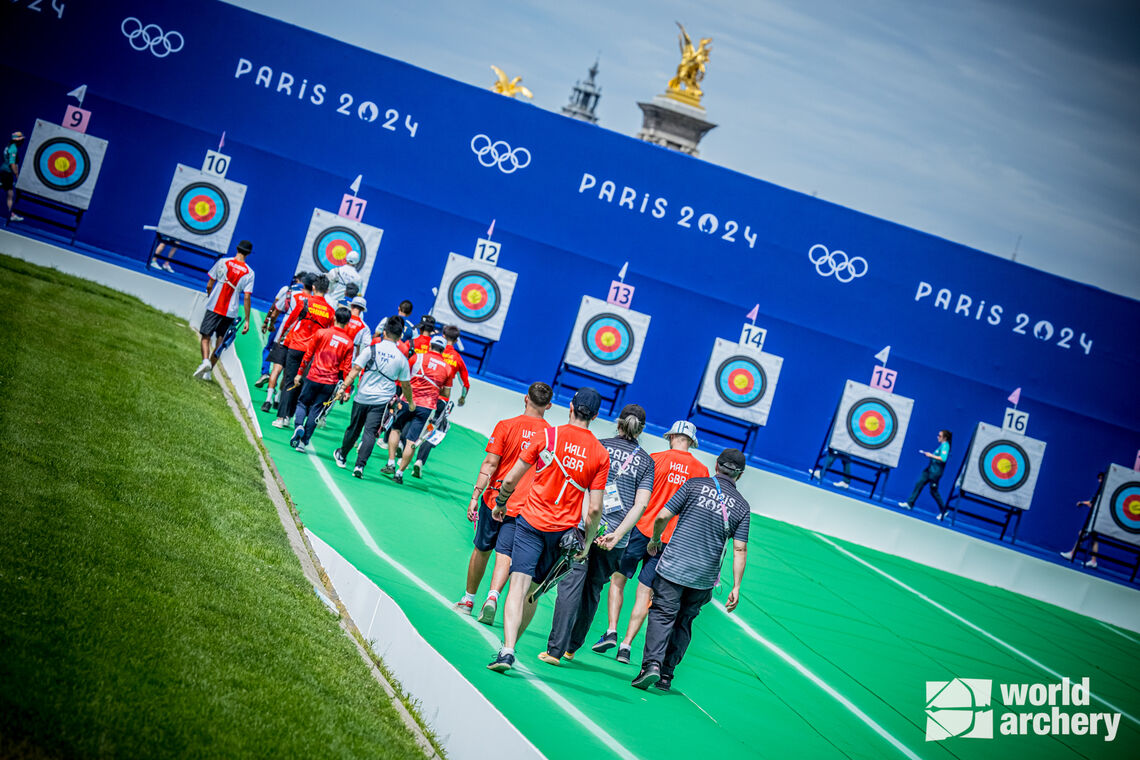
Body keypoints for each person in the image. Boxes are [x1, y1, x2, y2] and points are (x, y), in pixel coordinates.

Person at [487, 387, 610, 673]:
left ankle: (507, 649)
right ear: (595, 415)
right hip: (563, 531)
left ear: (570, 406)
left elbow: (511, 479)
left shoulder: (547, 436)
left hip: (531, 522)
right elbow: (594, 509)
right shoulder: (599, 453)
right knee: (533, 592)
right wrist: (588, 544)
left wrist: (501, 502)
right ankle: (511, 644)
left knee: (517, 585)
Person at [541, 404, 654, 666]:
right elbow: (641, 505)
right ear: (642, 429)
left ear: (617, 422)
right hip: (616, 540)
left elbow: (583, 488)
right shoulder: (646, 462)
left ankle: (554, 650)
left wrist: (587, 523)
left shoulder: (598, 445)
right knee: (593, 590)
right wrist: (617, 535)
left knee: (570, 586)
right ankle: (572, 647)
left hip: (584, 527)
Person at [633, 448, 751, 692]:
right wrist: (737, 586)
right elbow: (740, 549)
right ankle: (666, 675)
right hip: (704, 577)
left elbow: (663, 516)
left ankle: (651, 665)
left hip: (674, 566)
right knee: (684, 620)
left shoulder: (694, 485)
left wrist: (655, 539)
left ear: (717, 465)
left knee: (663, 614)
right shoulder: (742, 506)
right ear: (740, 475)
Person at [609, 420, 707, 664]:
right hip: (669, 539)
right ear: (692, 442)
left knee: (618, 579)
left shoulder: (655, 458)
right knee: (645, 592)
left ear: (671, 436)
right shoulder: (701, 471)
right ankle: (626, 645)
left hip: (642, 528)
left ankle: (611, 630)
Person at [456, 382, 554, 624]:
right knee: (505, 553)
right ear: (549, 405)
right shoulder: (551, 436)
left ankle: (468, 600)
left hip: (494, 498)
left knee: (482, 549)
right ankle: (492, 597)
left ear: (525, 399)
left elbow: (490, 464)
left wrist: (475, 495)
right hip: (523, 506)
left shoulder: (506, 426)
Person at [333, 316, 413, 478]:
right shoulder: (401, 358)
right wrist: (411, 402)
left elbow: (355, 370)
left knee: (354, 429)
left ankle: (342, 455)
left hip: (362, 397)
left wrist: (343, 388)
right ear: (399, 337)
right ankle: (359, 467)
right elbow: (406, 385)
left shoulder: (371, 349)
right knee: (370, 433)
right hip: (381, 402)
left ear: (384, 332)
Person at [382, 334, 452, 484]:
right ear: (443, 350)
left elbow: (403, 377)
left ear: (430, 345)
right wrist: (432, 389)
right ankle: (400, 473)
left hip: (408, 400)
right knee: (412, 441)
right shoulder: (447, 368)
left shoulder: (417, 357)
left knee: (395, 429)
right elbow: (446, 393)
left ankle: (391, 463)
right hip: (426, 407)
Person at [289, 307, 355, 452]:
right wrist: (347, 389)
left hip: (313, 376)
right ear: (348, 322)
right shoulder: (349, 343)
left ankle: (299, 424)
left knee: (302, 403)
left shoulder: (321, 333)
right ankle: (303, 443)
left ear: (334, 318)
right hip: (329, 383)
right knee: (316, 410)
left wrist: (299, 373)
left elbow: (308, 354)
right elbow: (347, 368)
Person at [410, 324, 471, 478]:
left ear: (443, 336)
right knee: (435, 429)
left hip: (423, 394)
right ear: (457, 340)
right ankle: (419, 461)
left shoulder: (434, 350)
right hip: (441, 401)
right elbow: (465, 383)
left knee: (415, 420)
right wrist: (462, 397)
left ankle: (402, 447)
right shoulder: (457, 358)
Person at [274, 275, 334, 427]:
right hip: (313, 352)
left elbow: (290, 322)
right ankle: (291, 415)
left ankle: (282, 418)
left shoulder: (304, 302)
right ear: (327, 290)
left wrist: (282, 338)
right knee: (300, 384)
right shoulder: (330, 311)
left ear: (313, 287)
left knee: (289, 381)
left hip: (296, 346)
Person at [193, 240, 254, 380]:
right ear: (248, 253)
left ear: (237, 249)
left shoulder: (223, 262)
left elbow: (210, 284)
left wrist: (210, 296)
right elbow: (246, 297)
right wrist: (247, 320)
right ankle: (208, 373)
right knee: (220, 340)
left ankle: (205, 362)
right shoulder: (250, 273)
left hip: (214, 305)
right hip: (231, 311)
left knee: (205, 335)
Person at [260, 273, 313, 413]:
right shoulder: (313, 301)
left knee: (276, 368)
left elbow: (276, 310)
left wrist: (269, 324)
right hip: (299, 338)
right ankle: (278, 398)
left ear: (302, 283)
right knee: (287, 372)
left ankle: (268, 400)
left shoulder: (292, 293)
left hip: (284, 333)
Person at [899, 429, 953, 518]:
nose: (937, 437)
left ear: (945, 438)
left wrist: (930, 455)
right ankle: (909, 504)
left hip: (935, 473)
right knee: (919, 483)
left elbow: (943, 458)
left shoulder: (946, 446)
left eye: (939, 436)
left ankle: (944, 511)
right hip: (929, 470)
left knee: (933, 492)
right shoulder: (942, 445)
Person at [1061, 471, 1105, 569]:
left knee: (1082, 534)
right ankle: (1093, 561)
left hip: (1095, 519)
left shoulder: (1104, 492)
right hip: (1097, 519)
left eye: (1101, 478)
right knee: (1094, 540)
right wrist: (1083, 502)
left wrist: (1084, 503)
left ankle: (1072, 554)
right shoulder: (1101, 491)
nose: (1099, 480)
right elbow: (1091, 502)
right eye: (1099, 478)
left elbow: (1093, 504)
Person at [3, 131, 25, 222]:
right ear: (17, 140)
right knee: (10, 195)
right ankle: (10, 215)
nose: (22, 142)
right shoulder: (13, 148)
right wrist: (16, 174)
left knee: (10, 194)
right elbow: (12, 164)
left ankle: (10, 214)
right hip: (7, 173)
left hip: (4, 171)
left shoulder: (9, 146)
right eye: (21, 140)